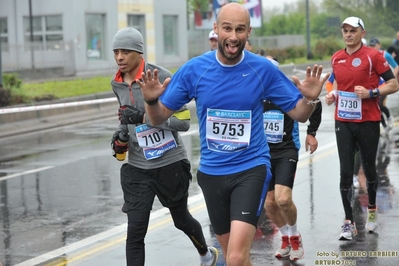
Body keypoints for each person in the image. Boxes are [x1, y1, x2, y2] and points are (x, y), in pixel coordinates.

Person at [136, 3, 329, 265]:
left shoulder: (264, 69)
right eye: (227, 28)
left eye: (240, 29)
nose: (234, 36)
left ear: (249, 32)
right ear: (216, 29)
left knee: (236, 258)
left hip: (251, 169)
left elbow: (300, 114)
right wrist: (149, 101)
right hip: (212, 173)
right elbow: (157, 118)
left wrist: (311, 99)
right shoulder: (195, 69)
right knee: (233, 258)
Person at [110, 27, 218, 266]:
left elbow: (183, 123)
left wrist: (142, 118)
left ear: (139, 53)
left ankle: (206, 255)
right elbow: (125, 118)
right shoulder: (116, 82)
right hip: (137, 167)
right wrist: (121, 135)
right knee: (135, 231)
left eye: (125, 51)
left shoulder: (164, 76)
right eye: (116, 51)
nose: (119, 57)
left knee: (181, 220)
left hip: (170, 163)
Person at [325, 16, 399, 241]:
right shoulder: (336, 57)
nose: (348, 34)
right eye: (345, 31)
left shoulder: (374, 56)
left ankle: (373, 208)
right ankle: (348, 222)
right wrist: (333, 94)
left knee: (369, 169)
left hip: (367, 120)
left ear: (362, 33)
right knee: (345, 172)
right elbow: (337, 84)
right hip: (343, 121)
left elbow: (393, 84)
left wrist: (372, 93)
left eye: (353, 31)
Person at [263, 55, 322, 261]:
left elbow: (315, 104)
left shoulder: (288, 88)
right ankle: (285, 237)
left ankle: (295, 235)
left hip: (286, 149)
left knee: (283, 199)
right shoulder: (251, 89)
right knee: (269, 203)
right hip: (262, 152)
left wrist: (311, 132)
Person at [369, 37, 398, 132]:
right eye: (371, 46)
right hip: (373, 85)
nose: (373, 47)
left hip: (384, 85)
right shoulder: (368, 55)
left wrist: (391, 78)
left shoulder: (385, 55)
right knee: (375, 106)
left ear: (379, 45)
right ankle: (384, 126)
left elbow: (396, 66)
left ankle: (389, 117)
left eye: (375, 45)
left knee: (379, 104)